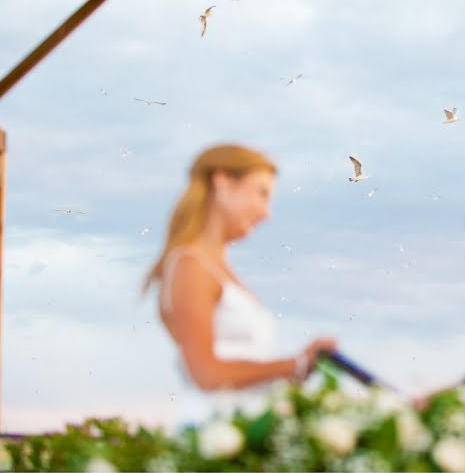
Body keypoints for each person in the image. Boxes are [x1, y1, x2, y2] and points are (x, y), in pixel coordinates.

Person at [142, 144, 337, 424]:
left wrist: (301, 369)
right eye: (261, 193)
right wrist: (296, 363)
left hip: (242, 428)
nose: (266, 213)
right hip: (214, 431)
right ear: (222, 182)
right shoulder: (190, 265)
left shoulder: (219, 269)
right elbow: (207, 374)